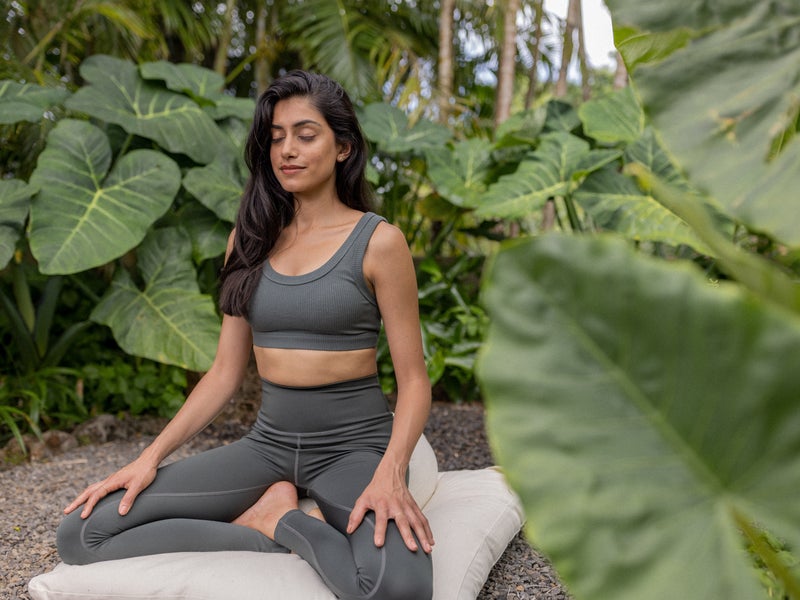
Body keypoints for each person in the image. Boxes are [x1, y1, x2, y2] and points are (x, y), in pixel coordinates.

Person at [56, 70, 434, 600]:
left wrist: (392, 472)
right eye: (276, 137)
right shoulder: (249, 240)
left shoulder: (380, 242)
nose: (287, 150)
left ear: (343, 146)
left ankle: (282, 521)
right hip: (269, 446)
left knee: (398, 589)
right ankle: (270, 520)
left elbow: (414, 381)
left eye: (306, 134)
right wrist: (149, 458)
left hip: (354, 448)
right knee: (81, 533)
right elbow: (224, 372)